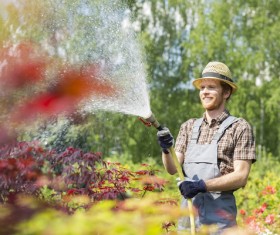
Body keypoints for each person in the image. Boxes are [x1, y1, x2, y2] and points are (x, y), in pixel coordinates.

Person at [157, 61, 256, 233]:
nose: (205, 92)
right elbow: (173, 168)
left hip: (220, 223)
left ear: (226, 92)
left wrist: (202, 186)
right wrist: (166, 150)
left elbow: (241, 176)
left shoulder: (239, 127)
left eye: (211, 87)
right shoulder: (188, 127)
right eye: (202, 88)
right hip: (188, 220)